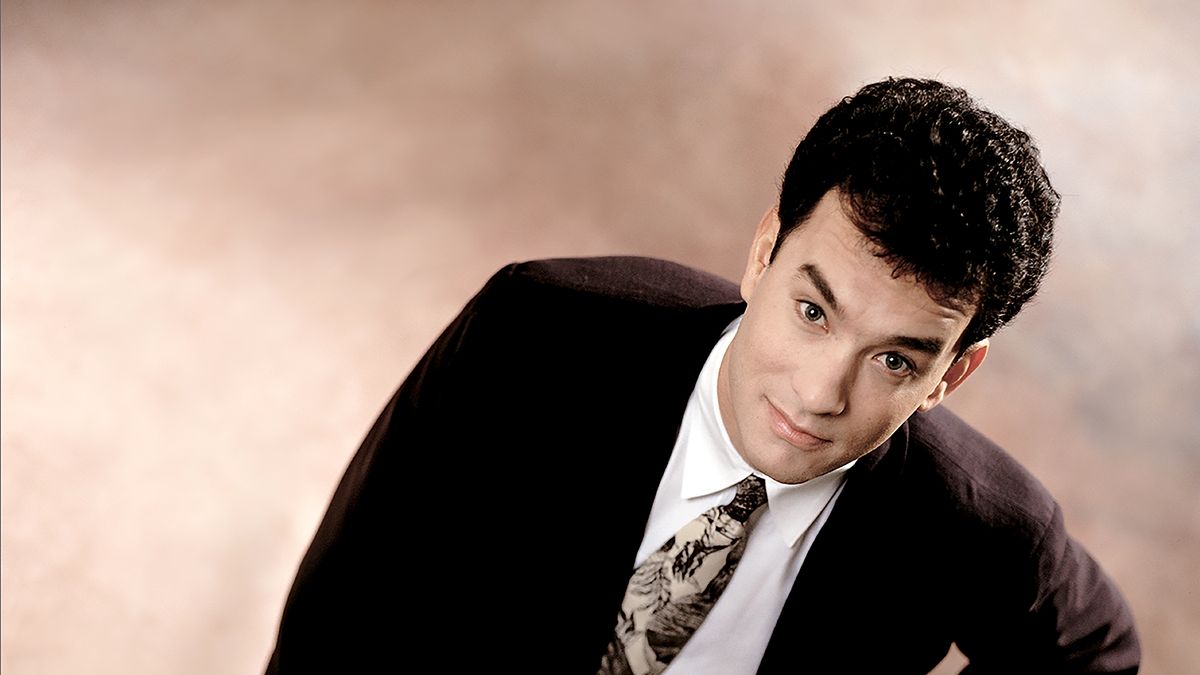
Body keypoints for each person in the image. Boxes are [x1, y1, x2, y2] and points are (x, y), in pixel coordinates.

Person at [265, 77, 1140, 674]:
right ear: (764, 251)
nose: (818, 393)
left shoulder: (979, 526)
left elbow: (1095, 653)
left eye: (894, 359)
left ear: (954, 373)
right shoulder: (535, 334)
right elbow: (347, 604)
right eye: (813, 311)